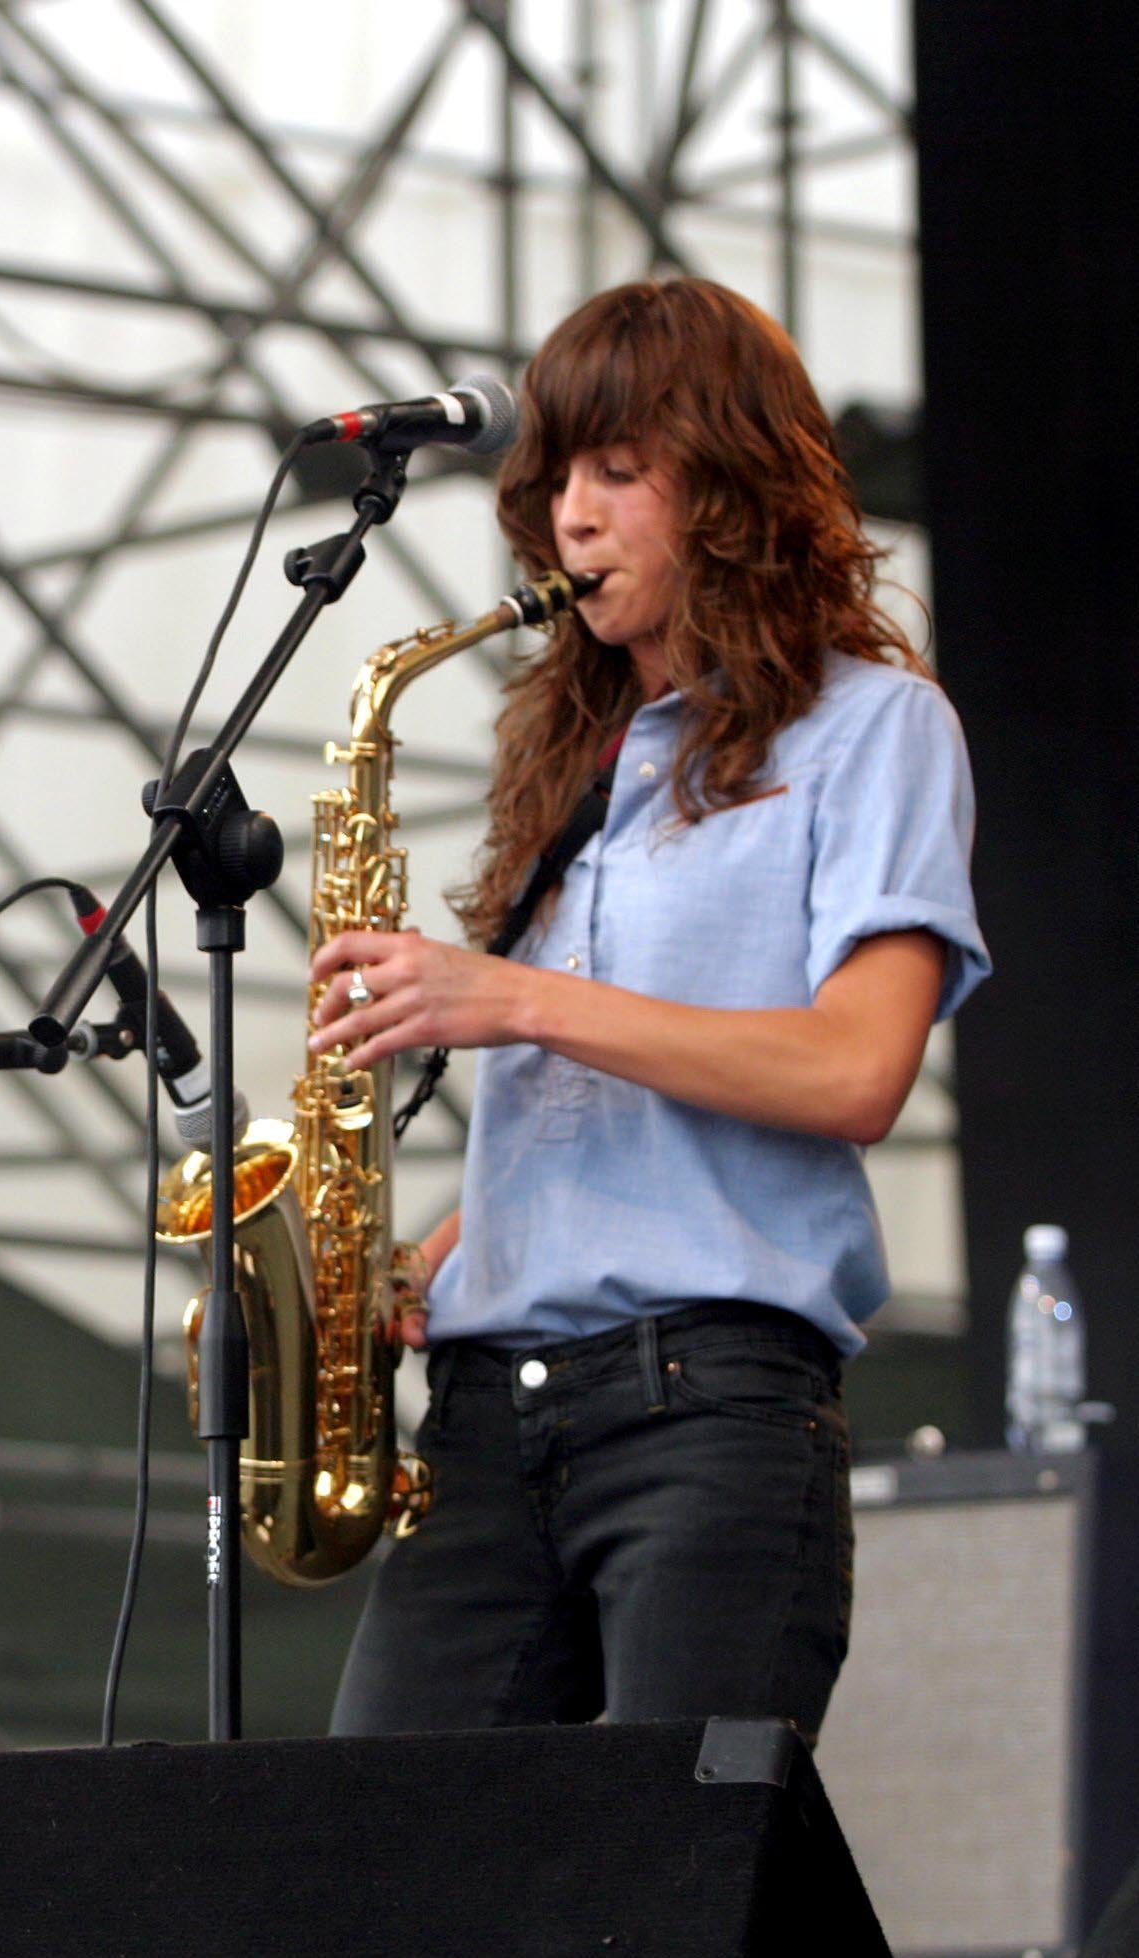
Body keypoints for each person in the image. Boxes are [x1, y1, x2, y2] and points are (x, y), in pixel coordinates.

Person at [307, 280, 987, 1740]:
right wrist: (426, 1252)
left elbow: (856, 1071)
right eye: (556, 474)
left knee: (665, 1899)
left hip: (710, 1411)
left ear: (733, 486)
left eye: (620, 471)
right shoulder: (571, 752)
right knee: (369, 1868)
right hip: (489, 1422)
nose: (571, 514)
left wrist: (512, 996)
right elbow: (606, 1106)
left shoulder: (875, 726)